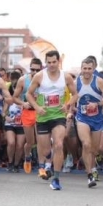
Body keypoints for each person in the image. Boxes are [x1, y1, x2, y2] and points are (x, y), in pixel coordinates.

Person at [26, 50, 78, 190]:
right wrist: (37, 107)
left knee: (59, 144)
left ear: (58, 61)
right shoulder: (39, 76)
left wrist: (67, 105)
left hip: (58, 116)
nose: (51, 65)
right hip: (43, 116)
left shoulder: (66, 77)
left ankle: (56, 178)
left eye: (54, 62)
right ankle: (48, 158)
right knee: (45, 150)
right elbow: (29, 94)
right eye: (48, 62)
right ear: (45, 62)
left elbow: (75, 95)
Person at [75, 57, 103, 188]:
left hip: (97, 119)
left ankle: (90, 163)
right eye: (84, 68)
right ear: (81, 68)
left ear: (94, 69)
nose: (86, 71)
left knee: (95, 150)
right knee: (86, 143)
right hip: (82, 117)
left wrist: (96, 104)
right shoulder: (76, 82)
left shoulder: (99, 81)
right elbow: (72, 98)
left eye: (89, 68)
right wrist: (69, 110)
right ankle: (89, 175)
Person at [12, 58, 42, 173]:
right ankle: (27, 156)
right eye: (32, 69)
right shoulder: (23, 80)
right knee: (30, 142)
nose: (34, 72)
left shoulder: (44, 79)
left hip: (40, 112)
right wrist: (23, 103)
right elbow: (14, 97)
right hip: (27, 112)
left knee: (41, 141)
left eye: (37, 70)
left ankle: (42, 166)